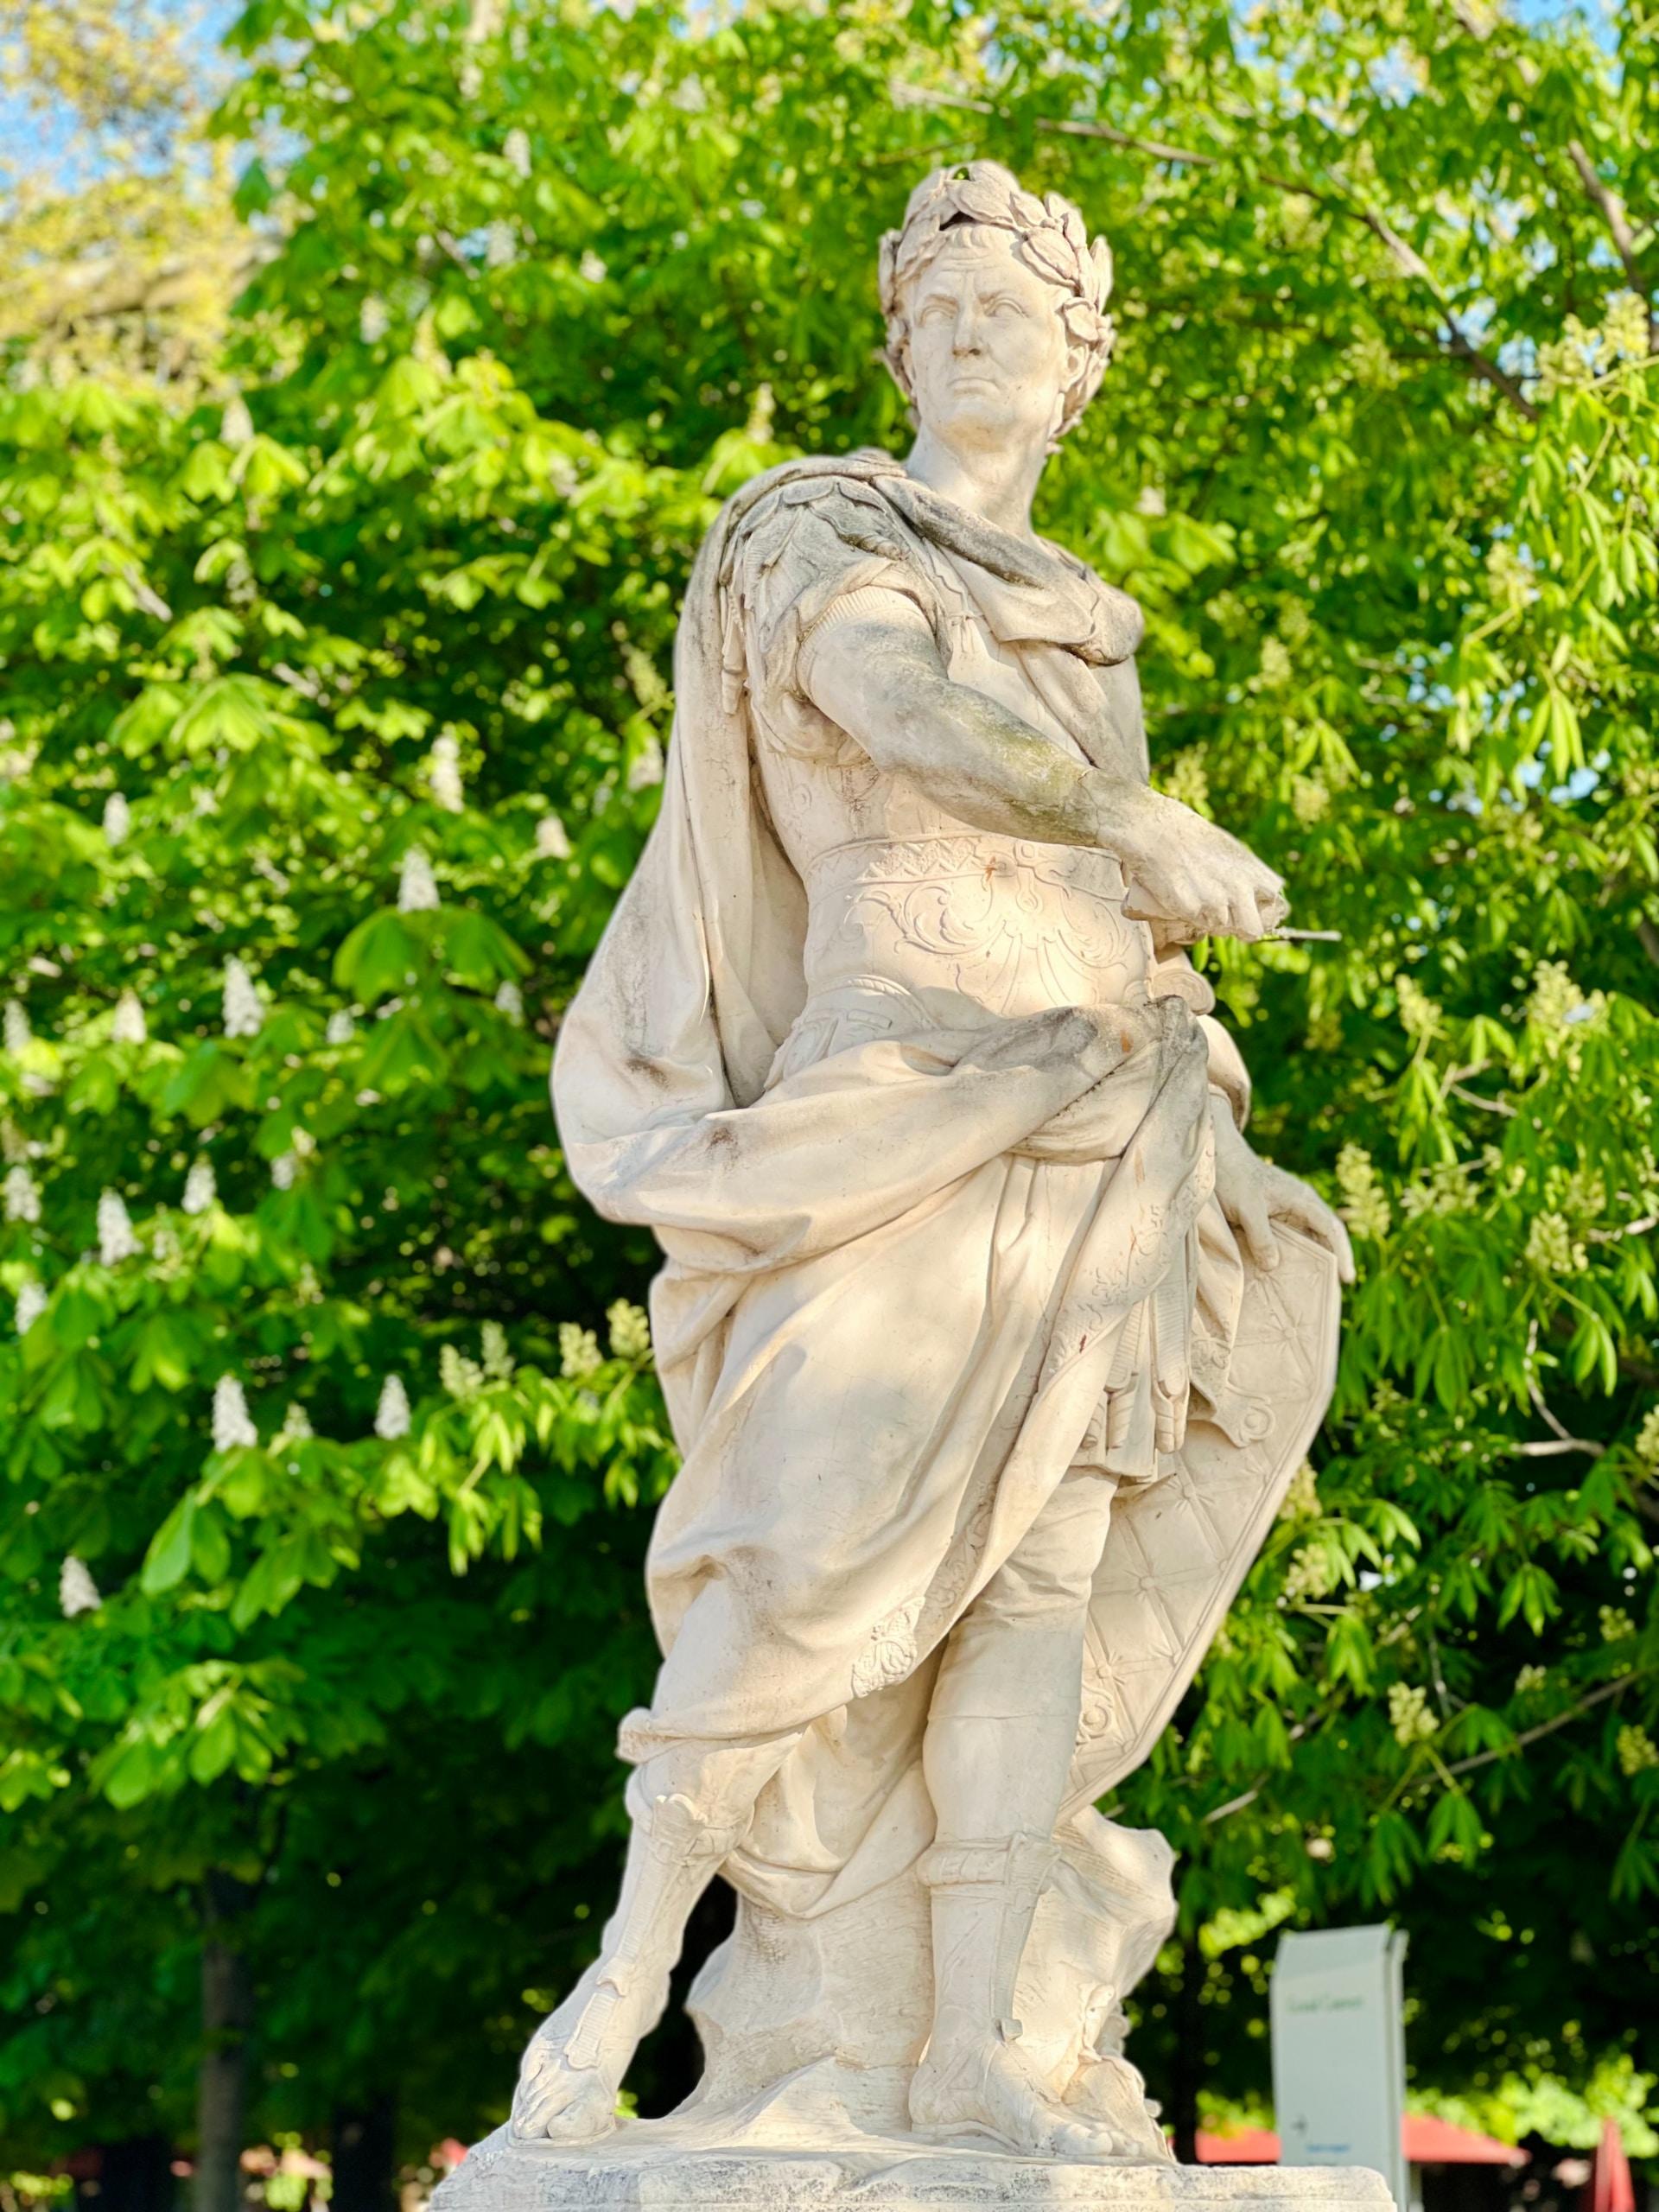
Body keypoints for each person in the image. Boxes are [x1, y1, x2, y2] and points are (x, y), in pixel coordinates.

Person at [522, 161, 1353, 2161]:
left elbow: (1093, 870)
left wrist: (1163, 982)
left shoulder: (1088, 616)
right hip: (892, 1098)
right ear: (900, 340)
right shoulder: (824, 529)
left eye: (1025, 320)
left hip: (1100, 1117)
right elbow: (887, 709)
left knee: (1039, 1570)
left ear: (1078, 379)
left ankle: (974, 2041)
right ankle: (631, 1970)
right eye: (950, 309)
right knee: (790, 1549)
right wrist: (1127, 831)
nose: (984, 337)